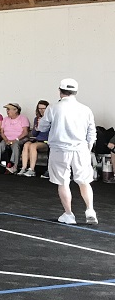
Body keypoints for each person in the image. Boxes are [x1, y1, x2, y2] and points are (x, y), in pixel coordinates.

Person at [37, 78, 97, 224]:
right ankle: (90, 210)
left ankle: (69, 214)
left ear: (60, 90)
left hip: (60, 149)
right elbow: (91, 131)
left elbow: (42, 128)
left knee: (63, 181)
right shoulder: (85, 109)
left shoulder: (53, 108)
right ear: (75, 91)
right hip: (81, 149)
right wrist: (88, 148)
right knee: (84, 181)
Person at [0, 103, 30, 173]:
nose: (7, 111)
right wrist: (6, 140)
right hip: (7, 138)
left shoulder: (23, 118)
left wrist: (16, 139)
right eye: (7, 110)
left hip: (19, 138)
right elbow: (1, 132)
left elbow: (25, 132)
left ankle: (15, 166)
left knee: (16, 145)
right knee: (0, 146)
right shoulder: (5, 119)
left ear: (15, 110)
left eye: (9, 109)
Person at [18, 100, 50, 177]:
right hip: (38, 139)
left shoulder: (50, 119)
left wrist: (43, 125)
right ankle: (24, 167)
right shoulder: (37, 119)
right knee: (26, 144)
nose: (41, 110)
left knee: (33, 146)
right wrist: (36, 127)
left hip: (46, 141)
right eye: (39, 108)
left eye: (43, 108)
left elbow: (50, 133)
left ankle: (32, 169)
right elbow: (34, 134)